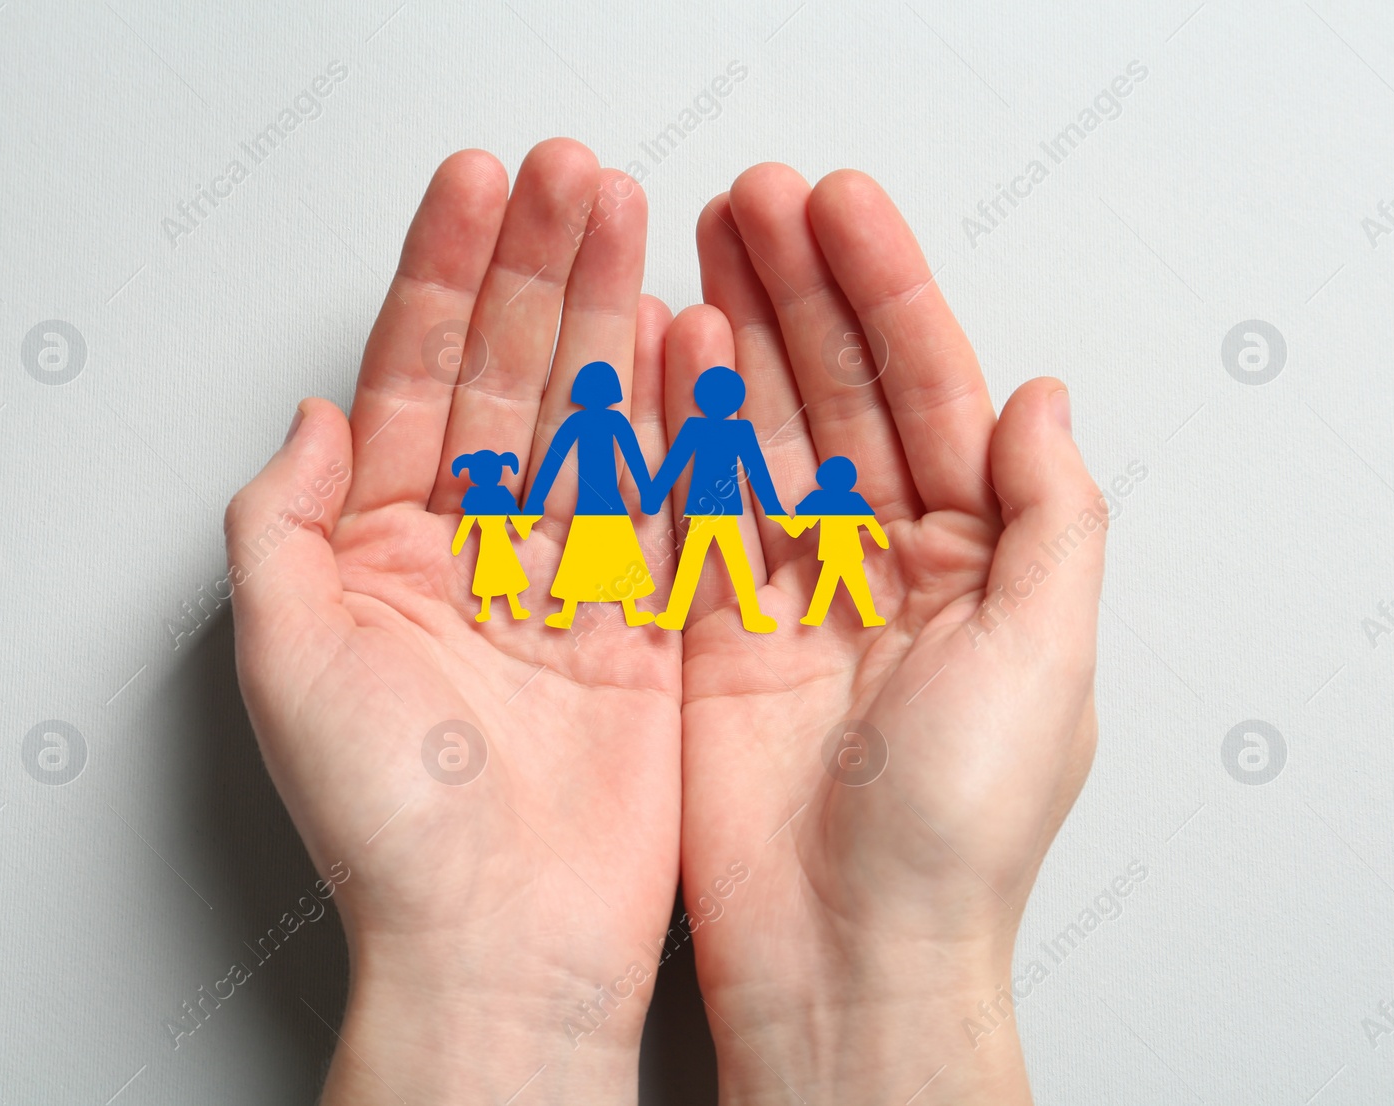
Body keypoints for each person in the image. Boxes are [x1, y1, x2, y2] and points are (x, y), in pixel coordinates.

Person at [225, 141, 1104, 1106]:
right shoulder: (638, 433)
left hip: (699, 532)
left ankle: (632, 592)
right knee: (679, 567)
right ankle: (624, 592)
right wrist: (471, 976)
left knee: (696, 566)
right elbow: (666, 475)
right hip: (660, 533)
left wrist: (893, 964)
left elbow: (726, 479)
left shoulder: (686, 435)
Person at [642, 365, 787, 633]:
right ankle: (686, 616)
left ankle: (741, 615)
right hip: (710, 507)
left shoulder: (725, 429)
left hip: (711, 507)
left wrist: (654, 495)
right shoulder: (722, 429)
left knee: (709, 562)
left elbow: (757, 471)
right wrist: (654, 495)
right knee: (721, 562)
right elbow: (675, 463)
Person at [522, 361, 657, 629]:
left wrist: (534, 502)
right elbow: (554, 460)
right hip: (600, 501)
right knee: (606, 553)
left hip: (599, 502)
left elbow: (552, 462)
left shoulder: (585, 421)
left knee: (591, 553)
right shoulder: (604, 420)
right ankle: (582, 613)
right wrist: (649, 493)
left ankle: (597, 612)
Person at [781, 455, 889, 627]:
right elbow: (872, 524)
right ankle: (867, 617)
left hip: (837, 551)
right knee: (849, 584)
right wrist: (881, 540)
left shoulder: (820, 499)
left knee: (832, 584)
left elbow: (795, 530)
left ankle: (820, 617)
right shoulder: (850, 500)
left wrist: (781, 518)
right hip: (845, 551)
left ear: (822, 478)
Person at [449, 449, 531, 623]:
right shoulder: (475, 495)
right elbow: (468, 520)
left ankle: (515, 609)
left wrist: (524, 526)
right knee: (487, 572)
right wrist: (459, 540)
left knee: (507, 572)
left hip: (500, 537)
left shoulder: (501, 493)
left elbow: (514, 514)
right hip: (488, 539)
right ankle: (485, 610)